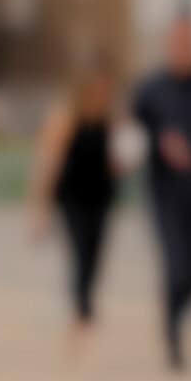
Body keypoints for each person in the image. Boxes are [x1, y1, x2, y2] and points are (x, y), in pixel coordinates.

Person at [133, 18, 191, 370]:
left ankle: (175, 316)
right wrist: (160, 142)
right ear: (169, 44)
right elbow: (131, 134)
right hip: (165, 194)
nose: (185, 47)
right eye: (179, 41)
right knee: (176, 267)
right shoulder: (150, 89)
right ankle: (172, 335)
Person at [29, 61, 120, 352]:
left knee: (95, 253)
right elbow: (49, 163)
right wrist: (39, 207)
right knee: (80, 251)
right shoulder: (66, 118)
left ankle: (85, 307)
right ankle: (81, 312)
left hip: (101, 196)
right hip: (72, 197)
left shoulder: (111, 119)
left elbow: (117, 159)